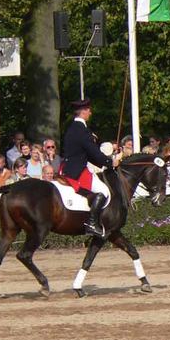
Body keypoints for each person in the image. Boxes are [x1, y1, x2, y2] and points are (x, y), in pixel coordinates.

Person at [60, 98, 115, 237]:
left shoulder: (72, 128)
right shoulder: (82, 130)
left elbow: (85, 153)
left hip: (68, 166)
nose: (90, 112)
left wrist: (103, 162)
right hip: (77, 170)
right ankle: (91, 223)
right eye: (88, 110)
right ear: (83, 111)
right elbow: (94, 152)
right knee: (104, 191)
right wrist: (110, 162)